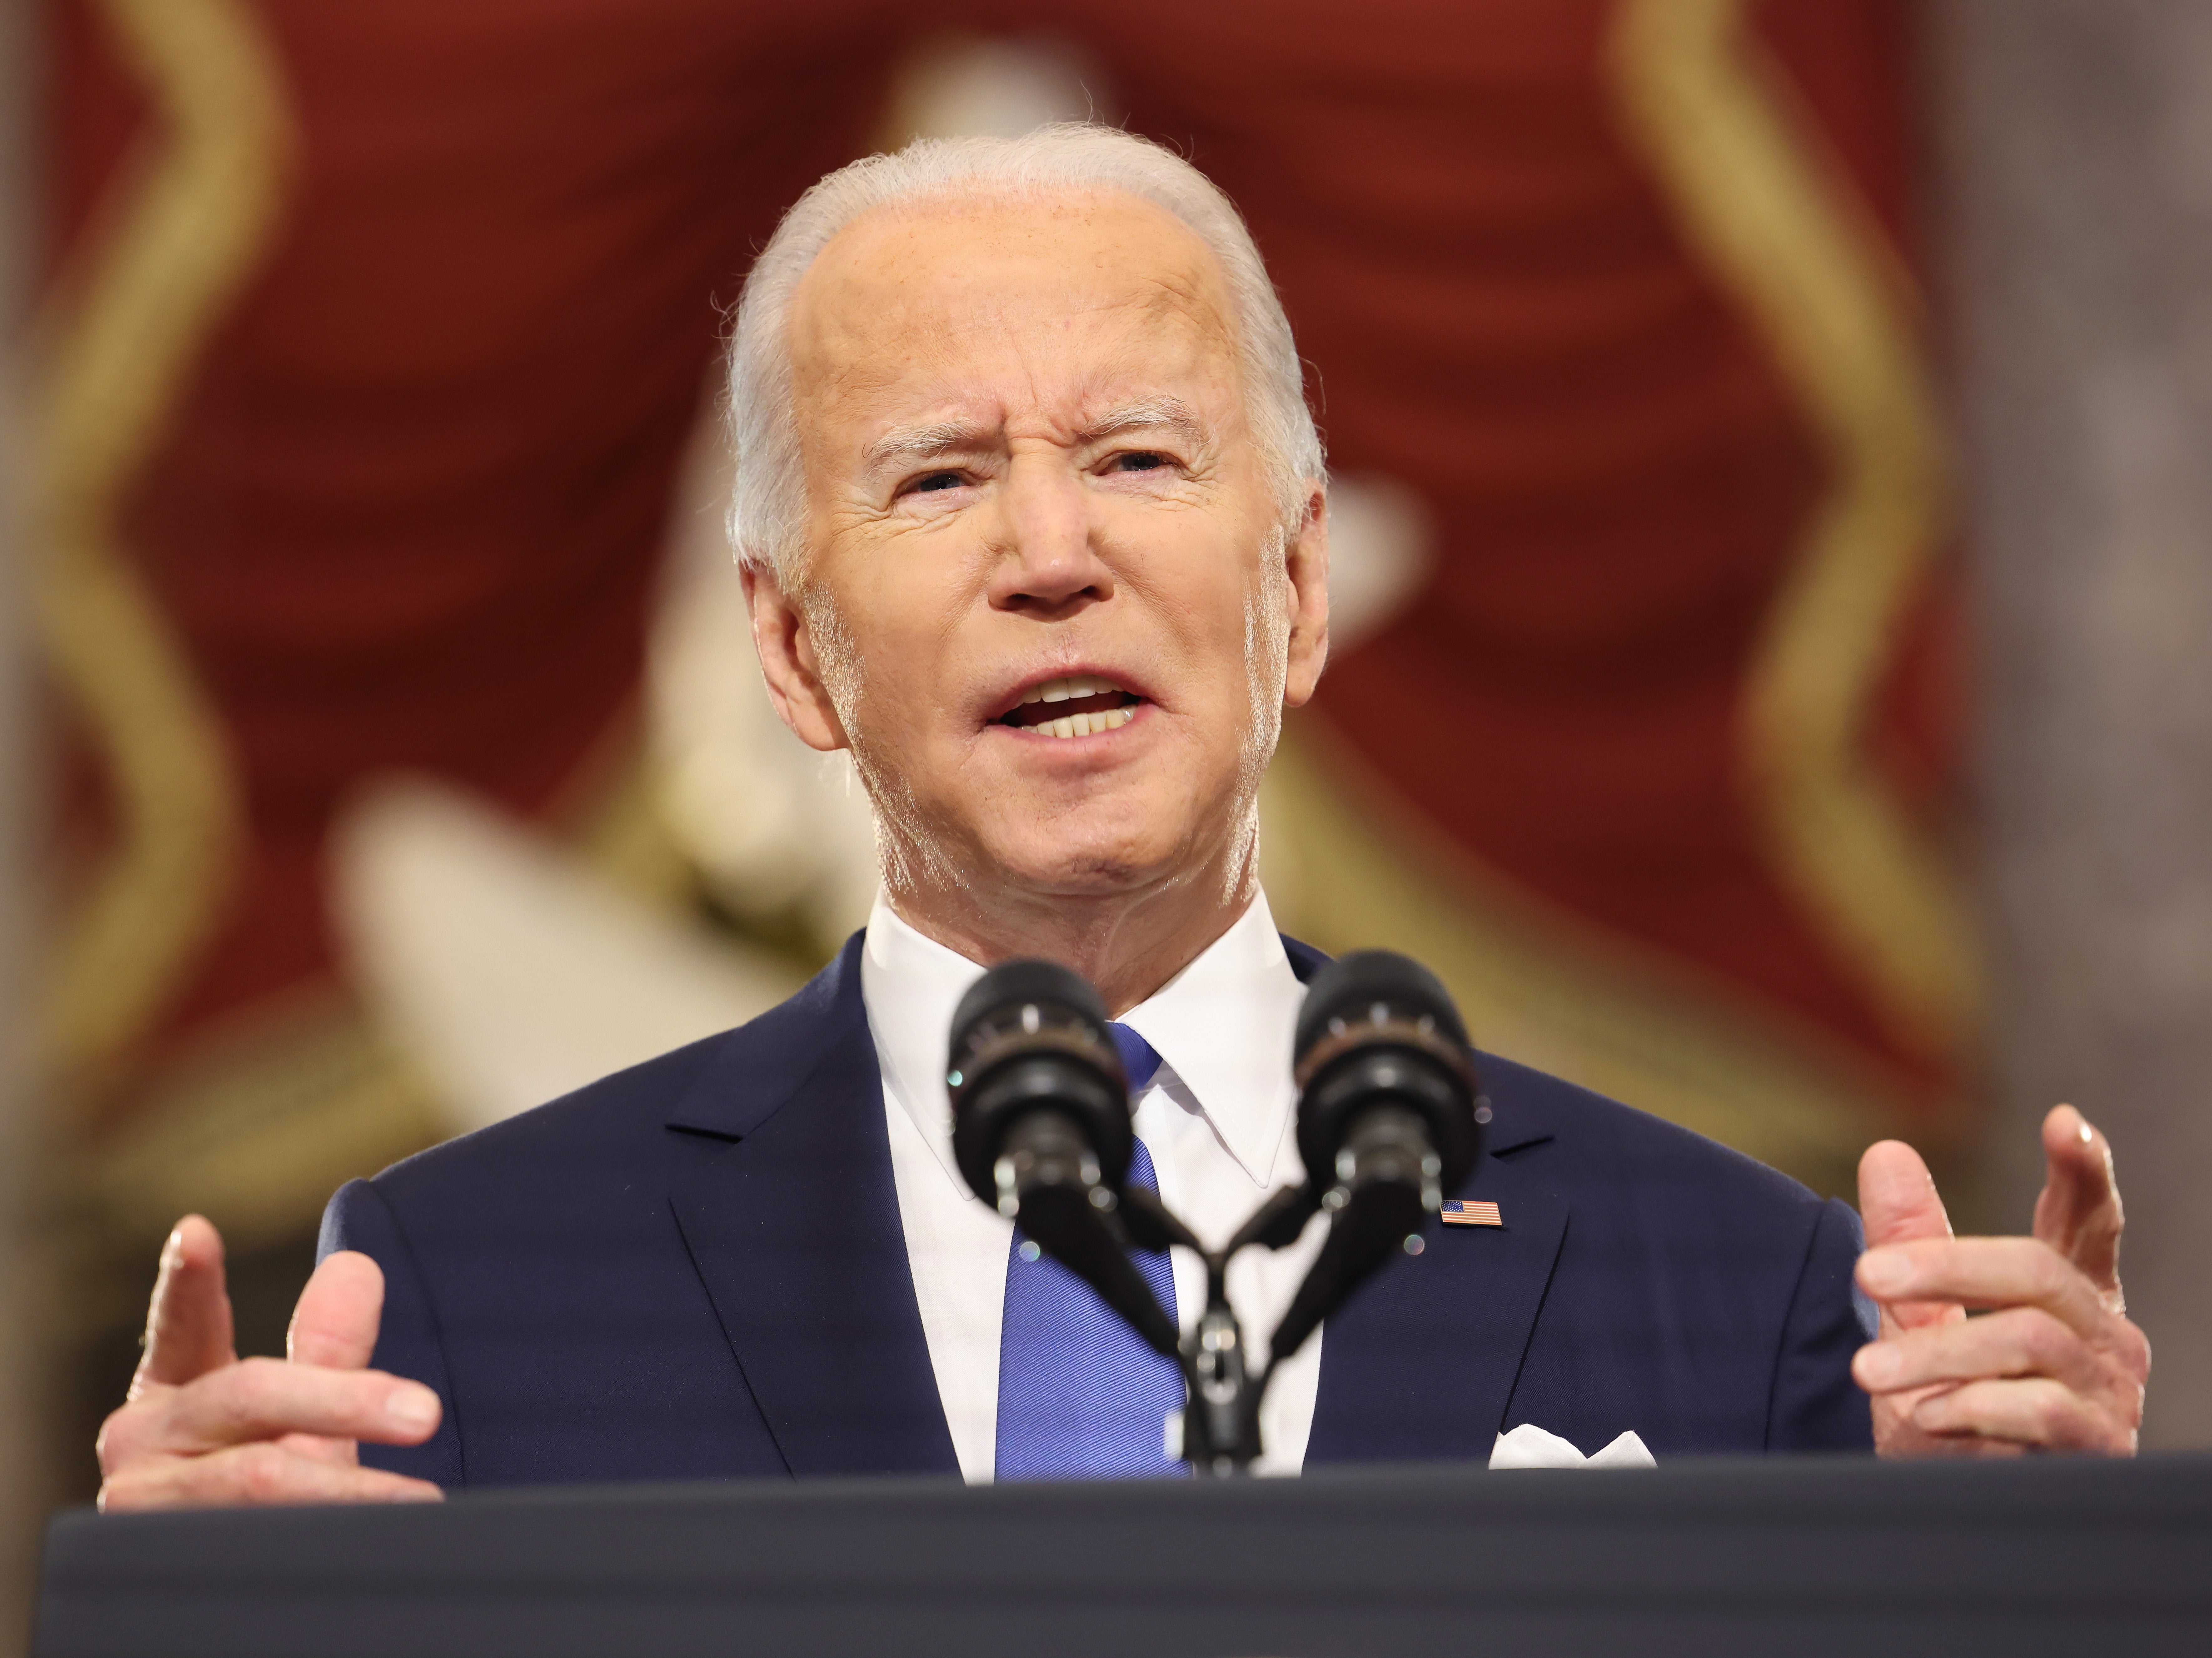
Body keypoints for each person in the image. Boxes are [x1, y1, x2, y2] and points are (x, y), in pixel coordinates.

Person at [94, 127, 2148, 1510]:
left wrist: (2042, 1586)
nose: (1053, 551)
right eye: (936, 479)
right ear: (792, 654)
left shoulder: (1735, 1294)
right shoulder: (475, 1295)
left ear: (1302, 587)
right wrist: (194, 1628)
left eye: (1144, 456)